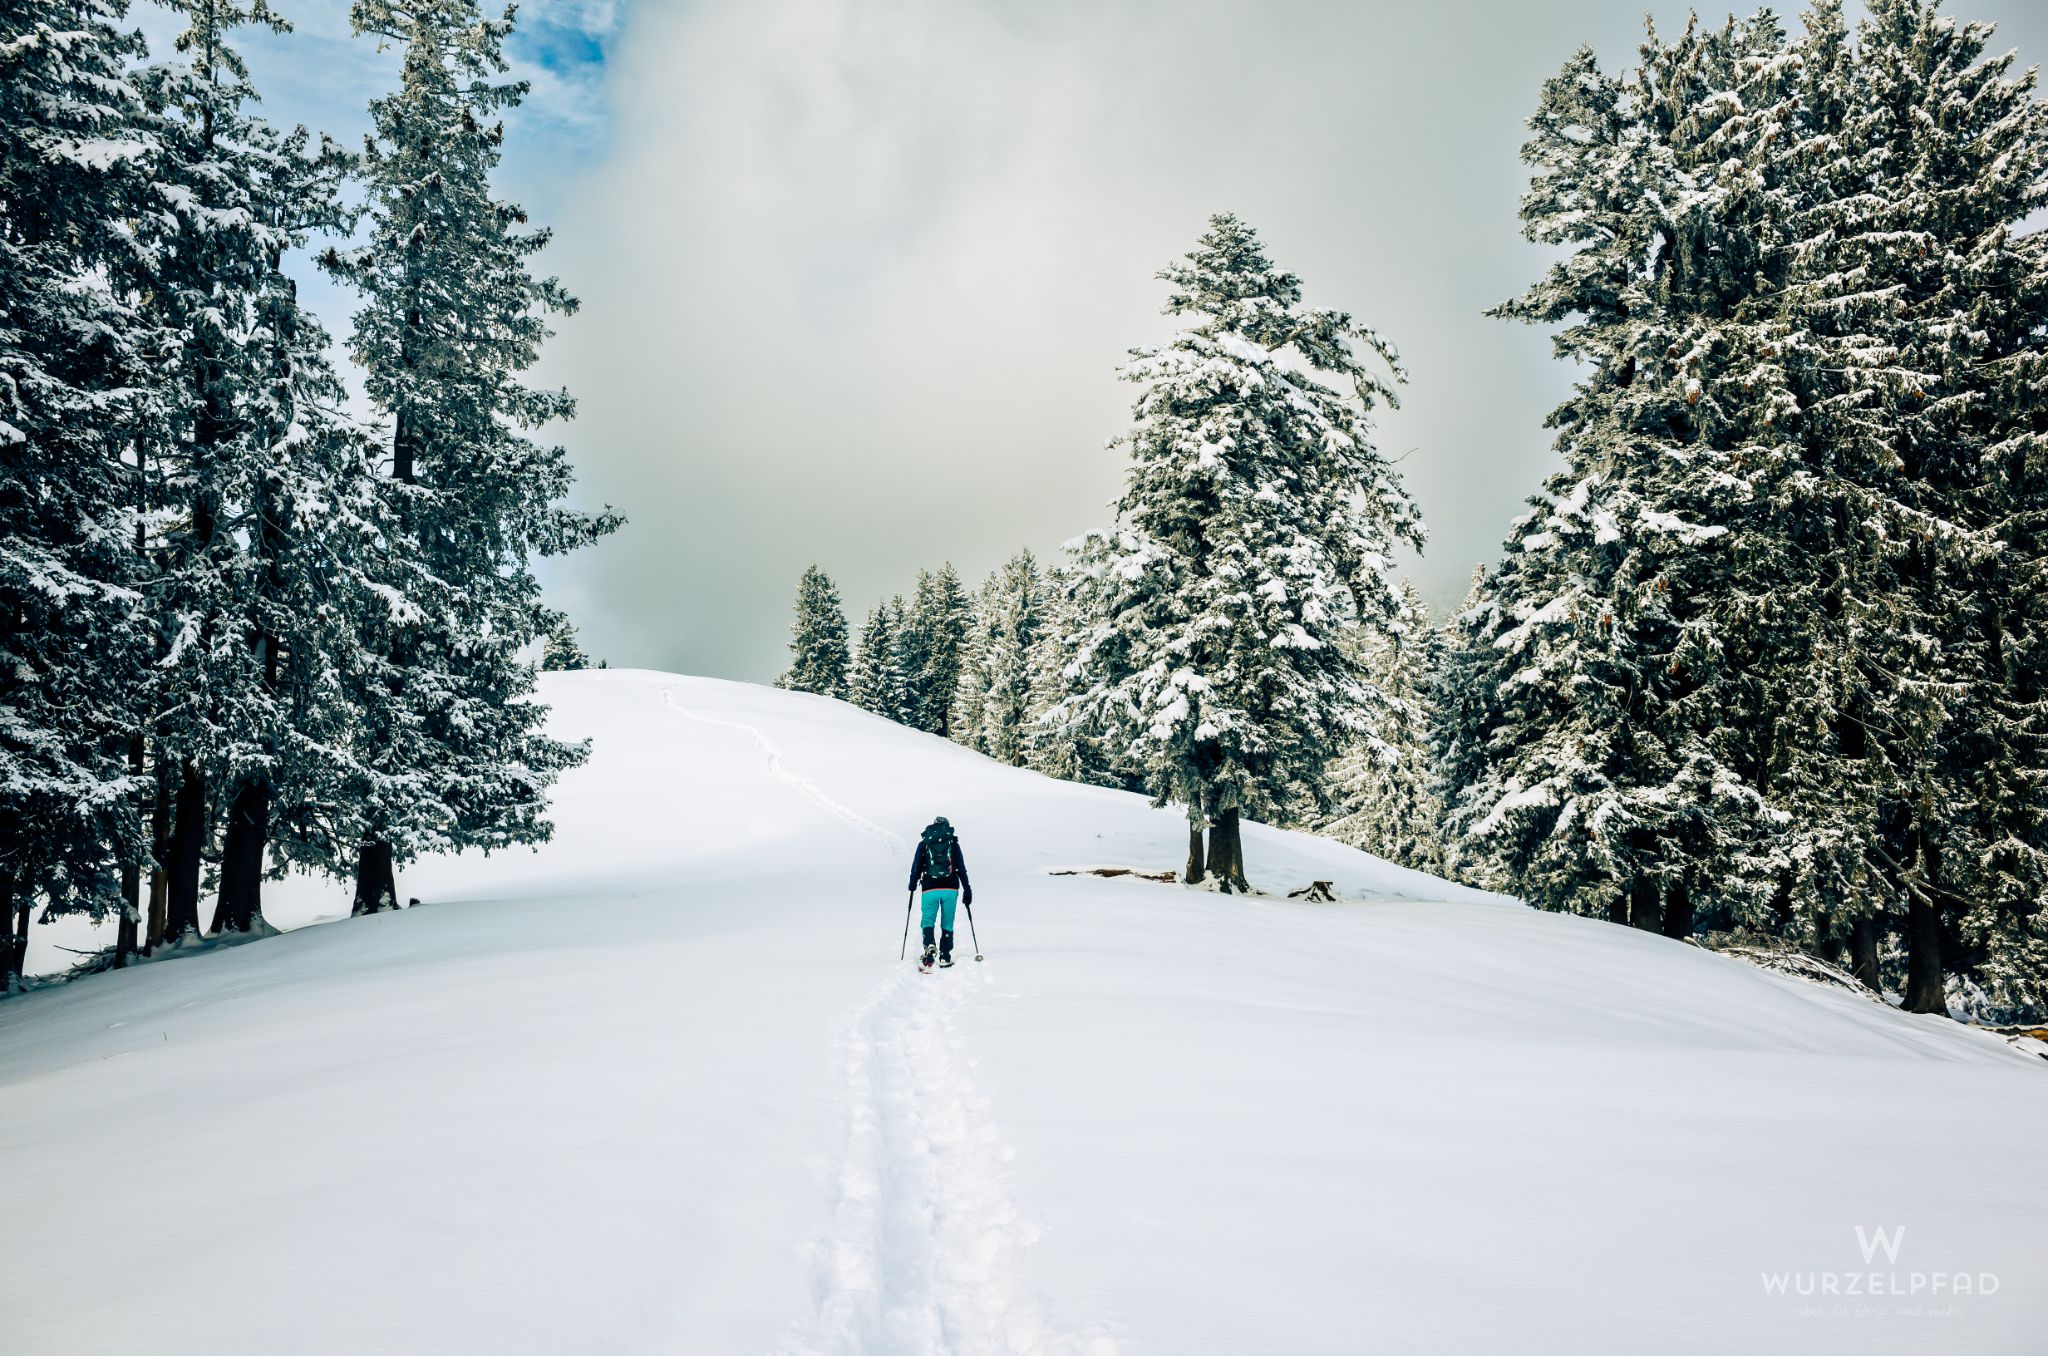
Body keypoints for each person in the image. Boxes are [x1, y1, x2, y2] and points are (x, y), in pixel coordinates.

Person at [907, 816, 972, 968]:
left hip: (930, 888)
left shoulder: (925, 844)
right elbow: (961, 868)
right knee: (947, 923)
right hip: (950, 889)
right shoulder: (953, 844)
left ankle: (929, 946)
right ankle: (945, 956)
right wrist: (967, 890)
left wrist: (912, 884)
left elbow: (916, 866)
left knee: (928, 921)